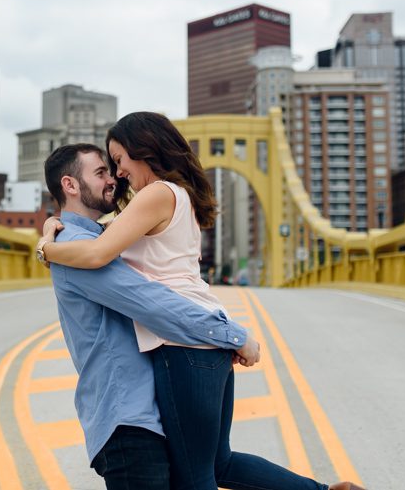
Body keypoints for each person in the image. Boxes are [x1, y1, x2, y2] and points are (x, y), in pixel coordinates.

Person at [39, 113, 364, 490]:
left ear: (143, 149)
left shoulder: (155, 195)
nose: (117, 172)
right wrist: (52, 228)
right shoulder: (167, 198)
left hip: (186, 344)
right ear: (70, 184)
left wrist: (46, 246)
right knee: (219, 464)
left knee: (197, 480)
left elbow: (101, 258)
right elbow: (100, 239)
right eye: (106, 168)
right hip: (202, 343)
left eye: (119, 159)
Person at [40, 143, 259, 490]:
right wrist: (233, 335)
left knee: (218, 466)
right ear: (69, 185)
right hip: (128, 423)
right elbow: (152, 302)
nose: (112, 179)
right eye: (100, 173)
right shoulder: (75, 249)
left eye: (113, 169)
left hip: (151, 414)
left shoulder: (100, 238)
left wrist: (46, 236)